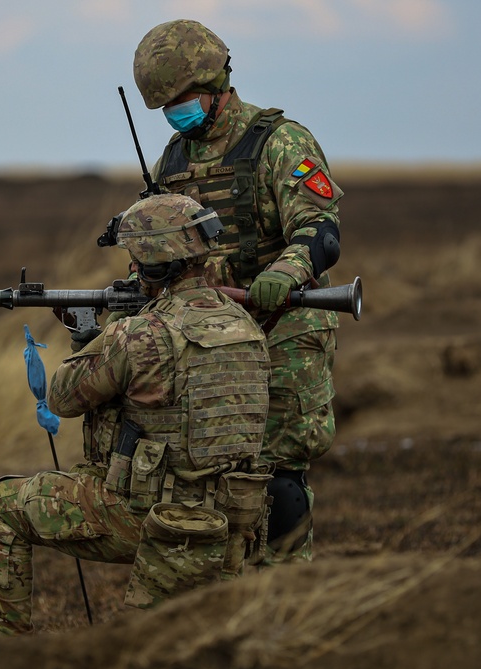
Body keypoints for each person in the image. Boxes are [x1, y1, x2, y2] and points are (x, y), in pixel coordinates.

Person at [0, 194, 272, 636]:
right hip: (233, 518)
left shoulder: (139, 334)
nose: (132, 267)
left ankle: (1, 649)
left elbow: (63, 399)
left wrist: (95, 336)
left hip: (152, 514)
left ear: (155, 265)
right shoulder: (247, 326)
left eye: (137, 260)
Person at [128, 19, 344, 561]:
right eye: (167, 107)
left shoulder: (281, 142)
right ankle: (222, 592)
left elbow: (320, 230)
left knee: (278, 478)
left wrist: (285, 273)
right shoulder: (172, 161)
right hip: (208, 340)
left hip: (285, 327)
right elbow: (158, 253)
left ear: (218, 83)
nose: (177, 114)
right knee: (208, 471)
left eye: (184, 101)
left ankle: (286, 591)